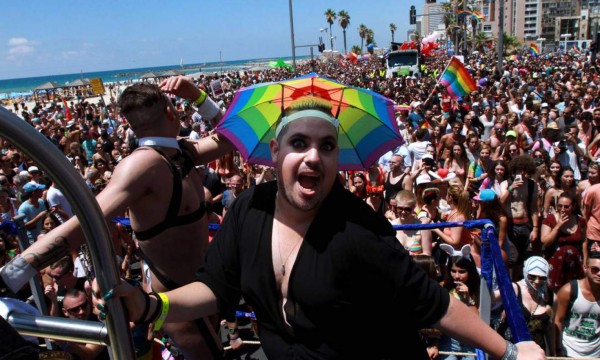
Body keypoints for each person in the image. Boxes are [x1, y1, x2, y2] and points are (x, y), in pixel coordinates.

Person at [93, 95, 544, 359]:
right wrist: (153, 306)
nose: (313, 156)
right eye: (299, 143)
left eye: (326, 146)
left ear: (336, 160)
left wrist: (511, 352)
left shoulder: (360, 229)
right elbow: (215, 287)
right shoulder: (249, 209)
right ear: (275, 153)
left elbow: (434, 304)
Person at [0, 76, 235, 360]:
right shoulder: (142, 165)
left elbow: (231, 136)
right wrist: (10, 276)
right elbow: (84, 221)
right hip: (173, 294)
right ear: (172, 112)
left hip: (201, 287)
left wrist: (198, 95)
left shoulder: (180, 152)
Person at [553, 253, 600, 358]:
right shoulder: (569, 290)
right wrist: (557, 349)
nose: (599, 273)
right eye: (594, 269)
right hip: (569, 350)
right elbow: (557, 321)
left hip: (595, 353)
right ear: (585, 268)